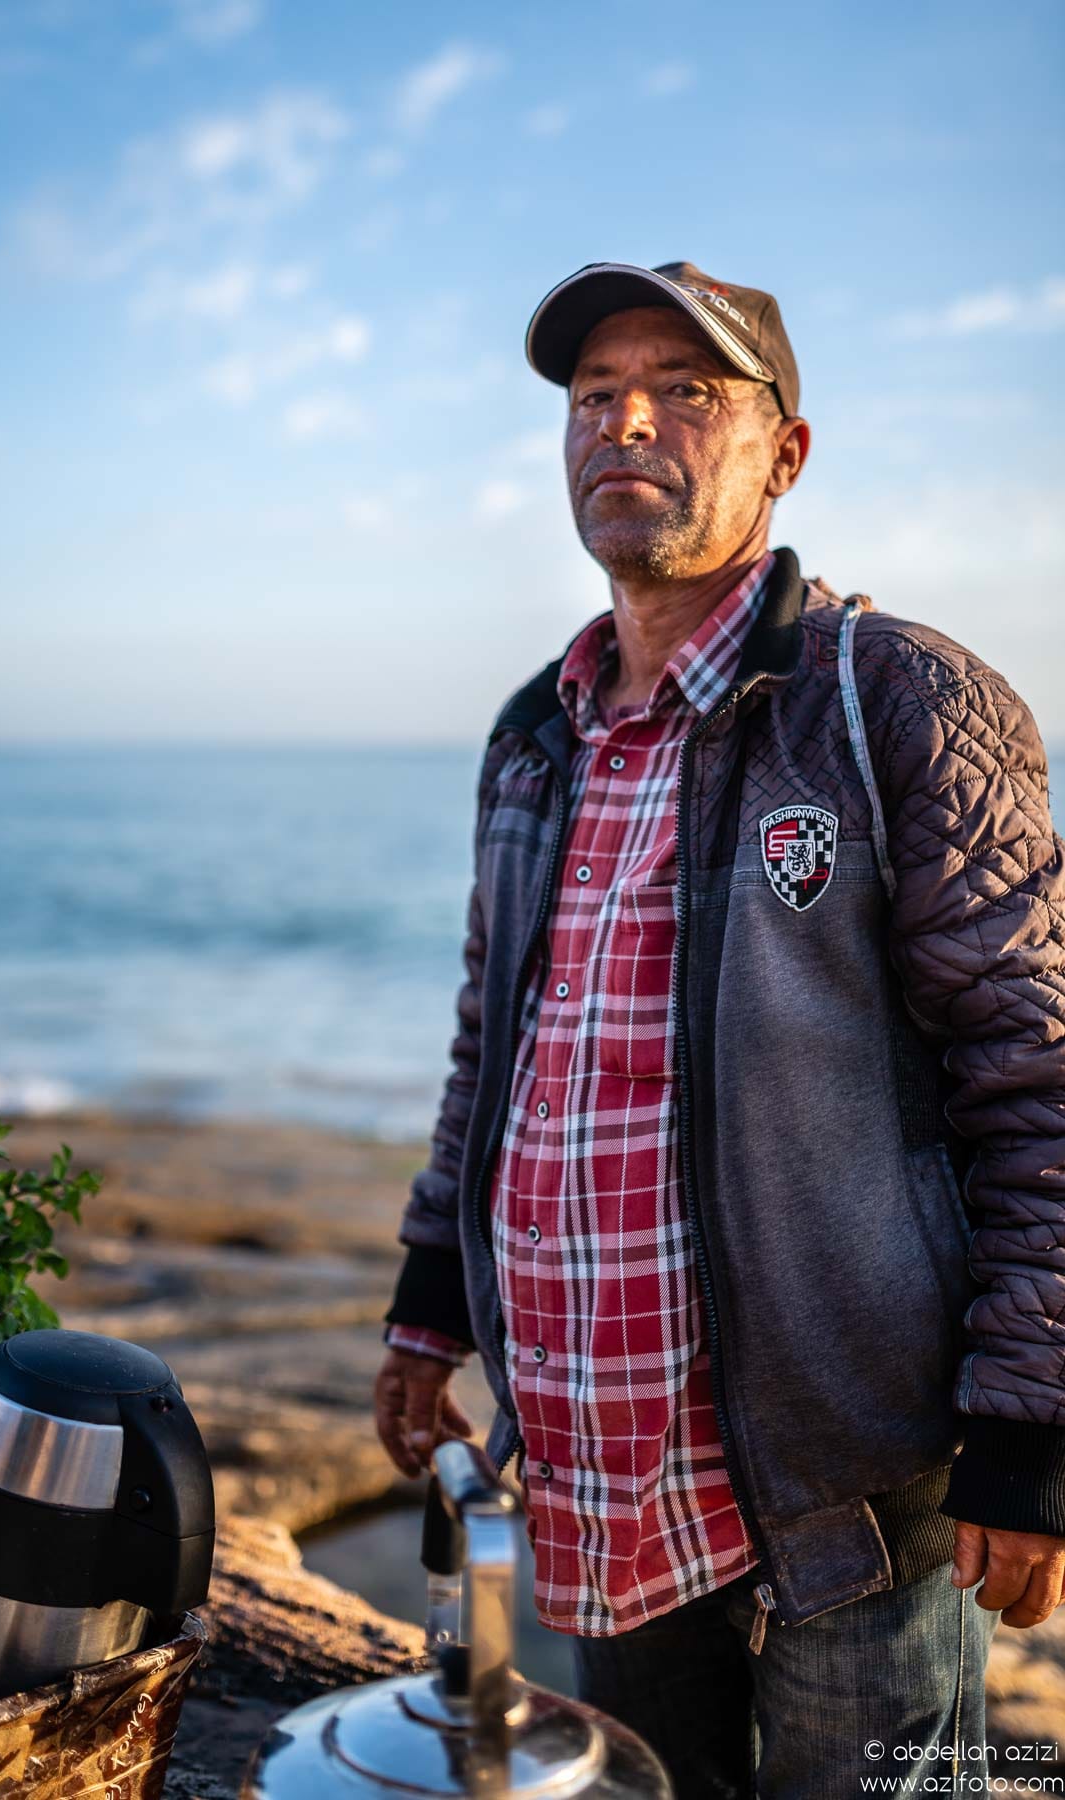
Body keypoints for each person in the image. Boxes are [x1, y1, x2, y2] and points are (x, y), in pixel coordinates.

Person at [373, 259, 1065, 1799]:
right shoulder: (533, 733)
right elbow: (498, 1045)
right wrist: (432, 1305)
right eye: (592, 395)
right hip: (597, 1479)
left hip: (852, 1501)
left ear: (786, 451)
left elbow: (1038, 1083)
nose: (626, 421)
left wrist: (1032, 1431)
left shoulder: (899, 707)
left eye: (688, 389)